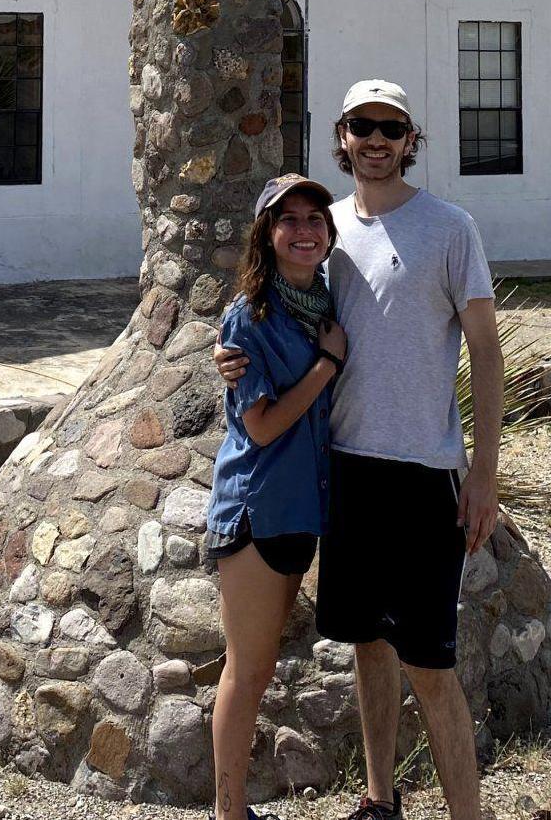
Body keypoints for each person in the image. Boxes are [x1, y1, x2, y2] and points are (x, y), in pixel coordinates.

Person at [215, 82, 503, 820]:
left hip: (421, 472)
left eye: (392, 128)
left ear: (411, 140)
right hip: (342, 472)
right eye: (362, 127)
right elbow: (261, 314)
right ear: (341, 137)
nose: (376, 140)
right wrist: (224, 360)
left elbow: (485, 350)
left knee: (430, 665)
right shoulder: (324, 230)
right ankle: (381, 800)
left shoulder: (448, 228)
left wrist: (482, 472)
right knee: (367, 645)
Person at [206, 173, 348, 820]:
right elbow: (260, 424)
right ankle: (229, 812)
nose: (303, 230)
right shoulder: (249, 316)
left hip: (301, 509)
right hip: (257, 511)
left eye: (314, 218)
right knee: (247, 670)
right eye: (286, 219)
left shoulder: (323, 302)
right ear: (266, 234)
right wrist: (325, 367)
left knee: (256, 668)